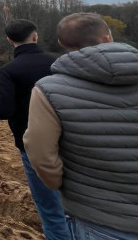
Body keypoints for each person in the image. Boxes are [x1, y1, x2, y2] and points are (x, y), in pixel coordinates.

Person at [24, 13, 138, 239]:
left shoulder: (48, 90)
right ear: (107, 38)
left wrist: (61, 185)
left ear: (61, 44)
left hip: (98, 219)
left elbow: (40, 154)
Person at [0, 19, 70, 240]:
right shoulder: (59, 63)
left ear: (9, 40)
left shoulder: (9, 70)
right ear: (35, 36)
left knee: (50, 209)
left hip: (31, 144)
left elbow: (2, 110)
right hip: (70, 140)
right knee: (77, 205)